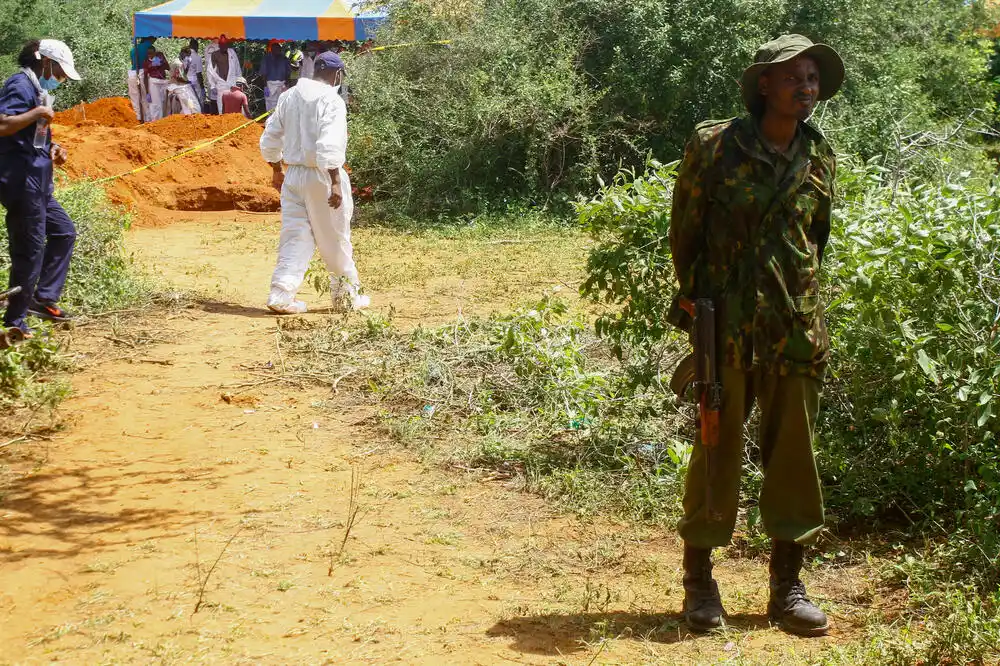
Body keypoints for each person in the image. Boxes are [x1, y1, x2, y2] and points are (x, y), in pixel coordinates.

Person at [668, 34, 844, 637]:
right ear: (763, 84)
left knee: (795, 461)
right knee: (715, 453)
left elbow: (815, 242)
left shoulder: (820, 156)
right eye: (793, 76)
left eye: (813, 78)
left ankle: (787, 587)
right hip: (728, 327)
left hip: (795, 331)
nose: (806, 87)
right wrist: (698, 312)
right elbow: (684, 235)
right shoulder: (713, 146)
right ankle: (700, 583)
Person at [259, 51, 369, 314]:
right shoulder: (332, 100)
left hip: (294, 176)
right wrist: (334, 182)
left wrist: (277, 169)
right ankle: (346, 297)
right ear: (337, 74)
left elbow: (271, 136)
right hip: (321, 176)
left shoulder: (288, 97)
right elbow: (329, 143)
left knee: (293, 236)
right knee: (334, 237)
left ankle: (281, 295)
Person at [0, 39, 82, 334]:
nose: (60, 79)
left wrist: (53, 147)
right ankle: (15, 322)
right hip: (22, 182)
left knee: (64, 232)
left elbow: (31, 135)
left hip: (39, 182)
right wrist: (35, 114)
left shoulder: (38, 89)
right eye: (59, 72)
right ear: (45, 62)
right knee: (30, 250)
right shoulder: (19, 85)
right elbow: (3, 124)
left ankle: (42, 297)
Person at [208, 35, 242, 114]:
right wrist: (212, 85)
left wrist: (239, 81)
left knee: (234, 106)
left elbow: (237, 67)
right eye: (222, 45)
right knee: (221, 106)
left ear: (227, 45)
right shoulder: (215, 54)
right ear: (219, 45)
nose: (224, 46)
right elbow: (210, 71)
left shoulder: (232, 53)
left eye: (225, 44)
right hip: (221, 84)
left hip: (232, 83)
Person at [259, 39, 291, 112]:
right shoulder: (266, 58)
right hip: (270, 84)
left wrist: (286, 85)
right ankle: (271, 121)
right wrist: (265, 87)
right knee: (270, 104)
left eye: (279, 49)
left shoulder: (284, 59)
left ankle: (280, 122)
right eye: (275, 49)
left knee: (282, 104)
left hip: (282, 84)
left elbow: (288, 73)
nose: (277, 51)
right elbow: (263, 73)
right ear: (272, 50)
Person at [128, 37, 155, 122]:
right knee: (146, 97)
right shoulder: (149, 47)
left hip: (133, 74)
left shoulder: (133, 49)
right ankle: (148, 119)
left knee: (135, 98)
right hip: (143, 73)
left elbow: (133, 63)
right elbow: (153, 62)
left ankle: (138, 118)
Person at [142, 46, 169, 121]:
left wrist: (161, 62)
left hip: (163, 81)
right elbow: (145, 77)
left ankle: (164, 119)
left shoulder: (160, 56)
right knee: (156, 103)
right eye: (148, 53)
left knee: (164, 101)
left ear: (155, 52)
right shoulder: (146, 62)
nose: (150, 55)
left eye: (151, 53)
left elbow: (168, 67)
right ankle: (156, 121)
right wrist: (147, 92)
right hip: (154, 82)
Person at [182, 39, 205, 110]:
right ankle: (199, 115)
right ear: (196, 46)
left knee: (190, 100)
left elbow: (184, 71)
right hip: (195, 81)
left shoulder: (185, 57)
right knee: (198, 100)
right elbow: (198, 74)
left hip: (187, 80)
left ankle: (190, 114)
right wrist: (202, 87)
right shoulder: (197, 57)